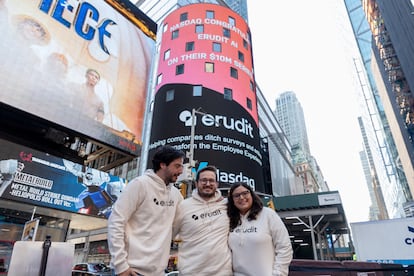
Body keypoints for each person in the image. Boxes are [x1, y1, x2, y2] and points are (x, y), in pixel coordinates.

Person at [107, 145, 185, 276]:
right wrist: (121, 266)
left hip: (158, 272)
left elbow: (183, 225)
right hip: (131, 270)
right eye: (177, 166)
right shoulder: (139, 184)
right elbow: (116, 222)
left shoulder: (176, 195)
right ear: (163, 165)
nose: (181, 171)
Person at [172, 165, 232, 275]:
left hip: (224, 272)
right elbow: (168, 234)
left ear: (217, 184)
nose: (208, 184)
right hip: (191, 273)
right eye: (204, 180)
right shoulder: (183, 206)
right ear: (196, 183)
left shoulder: (227, 205)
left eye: (211, 180)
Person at [227, 182, 293, 276]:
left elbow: (284, 247)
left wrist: (278, 273)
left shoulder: (268, 214)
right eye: (236, 195)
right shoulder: (230, 220)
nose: (241, 197)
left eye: (245, 193)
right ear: (232, 200)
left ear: (252, 194)